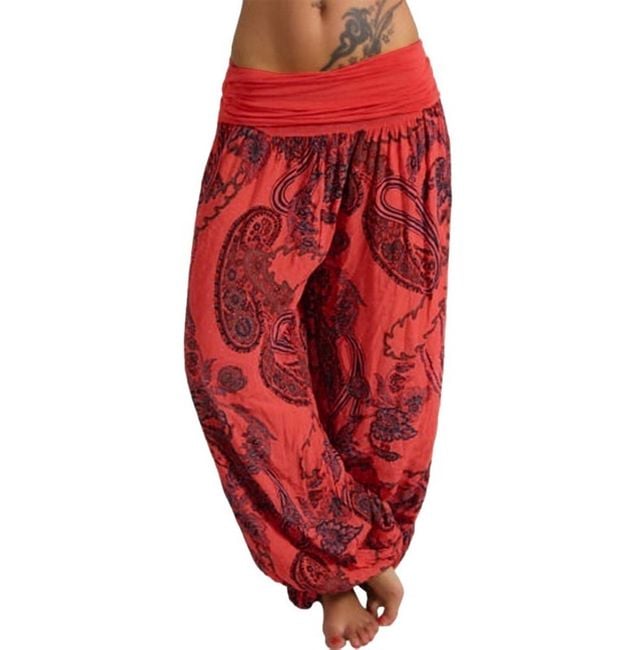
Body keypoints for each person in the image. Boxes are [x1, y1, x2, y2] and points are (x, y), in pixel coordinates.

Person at [183, 1, 452, 647]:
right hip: (268, 118)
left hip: (391, 109)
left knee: (384, 370)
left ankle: (355, 558)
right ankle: (344, 554)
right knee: (225, 361)